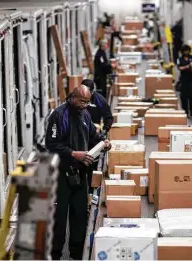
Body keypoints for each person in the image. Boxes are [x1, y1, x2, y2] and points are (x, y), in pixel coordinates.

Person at [45, 85, 111, 260]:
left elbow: (92, 135)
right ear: (72, 97)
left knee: (80, 214)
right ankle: (55, 254)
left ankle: (76, 253)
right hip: (61, 174)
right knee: (59, 218)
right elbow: (51, 145)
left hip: (80, 173)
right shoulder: (58, 116)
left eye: (87, 102)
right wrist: (74, 154)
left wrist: (103, 142)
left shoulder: (85, 115)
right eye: (81, 101)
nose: (84, 105)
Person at [177, 44, 192, 117]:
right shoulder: (180, 59)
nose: (186, 52)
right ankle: (185, 111)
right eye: (185, 51)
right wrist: (188, 66)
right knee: (183, 96)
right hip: (184, 80)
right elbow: (180, 68)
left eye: (187, 51)